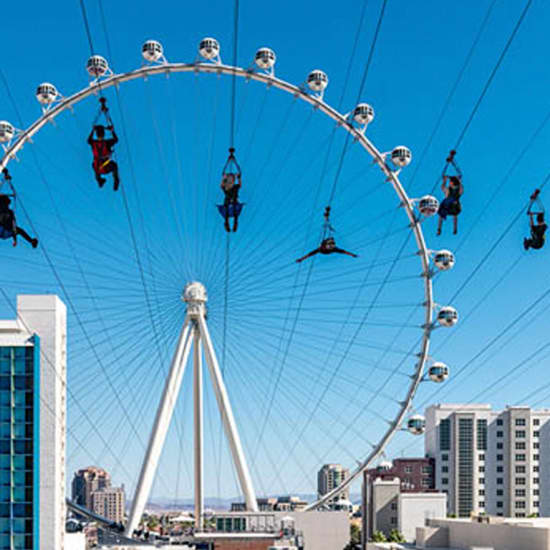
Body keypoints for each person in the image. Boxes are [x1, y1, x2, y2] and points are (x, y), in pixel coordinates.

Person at [88, 124, 120, 190]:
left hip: (98, 169)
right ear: (104, 134)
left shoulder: (93, 143)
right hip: (106, 168)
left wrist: (93, 130)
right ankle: (116, 181)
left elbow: (88, 140)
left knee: (94, 164)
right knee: (114, 166)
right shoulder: (107, 143)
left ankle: (99, 180)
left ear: (96, 135)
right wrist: (112, 131)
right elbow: (116, 139)